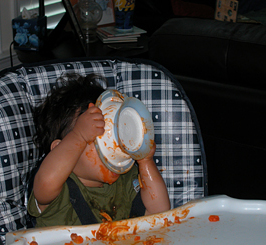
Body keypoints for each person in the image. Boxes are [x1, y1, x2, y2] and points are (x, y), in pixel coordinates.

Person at [27, 73, 170, 228]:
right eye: (97, 136)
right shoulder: (57, 190)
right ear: (59, 148)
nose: (113, 145)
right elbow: (45, 183)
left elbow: (159, 212)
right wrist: (79, 136)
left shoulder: (127, 179)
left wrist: (145, 161)